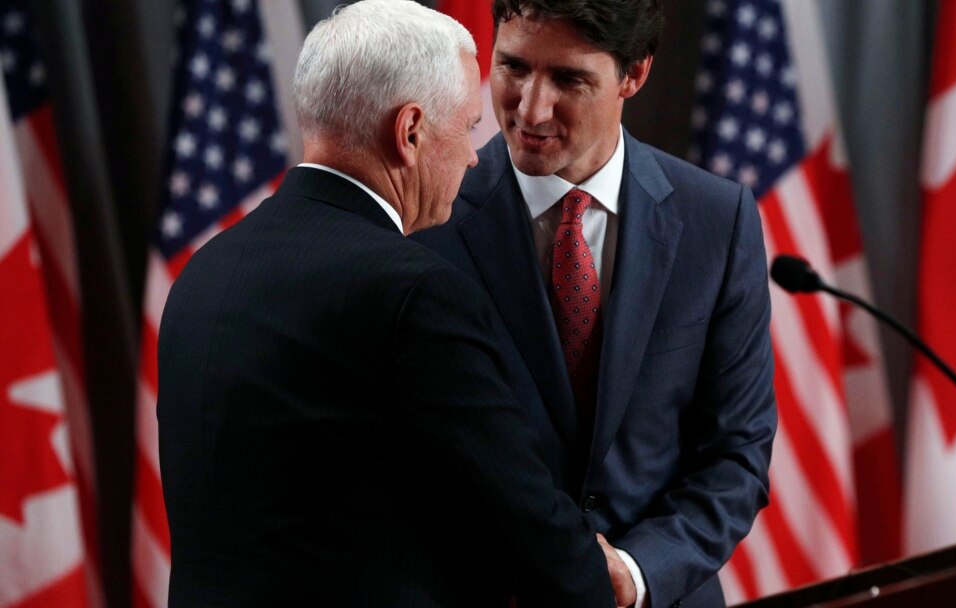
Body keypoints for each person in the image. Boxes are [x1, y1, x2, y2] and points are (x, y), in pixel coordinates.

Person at [156, 1, 615, 606]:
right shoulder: (413, 292)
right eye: (468, 127)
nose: (473, 156)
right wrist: (598, 572)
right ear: (411, 131)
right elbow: (523, 526)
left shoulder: (206, 269)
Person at [413, 1, 777, 606]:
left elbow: (736, 454)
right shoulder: (426, 220)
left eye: (568, 79)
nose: (531, 109)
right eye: (513, 67)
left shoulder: (718, 219)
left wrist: (634, 573)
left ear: (634, 74)